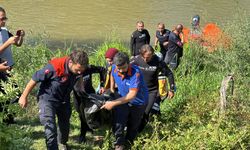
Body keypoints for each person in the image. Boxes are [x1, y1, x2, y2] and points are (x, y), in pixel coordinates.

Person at [18, 50, 89, 150]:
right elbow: (35, 78)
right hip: (47, 99)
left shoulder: (79, 68)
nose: (79, 71)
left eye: (82, 70)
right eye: (77, 69)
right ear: (70, 62)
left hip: (64, 99)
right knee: (50, 128)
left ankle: (62, 143)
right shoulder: (54, 67)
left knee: (65, 127)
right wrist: (23, 96)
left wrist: (81, 89)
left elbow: (79, 75)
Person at [101, 52, 148, 150]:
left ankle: (128, 142)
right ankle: (119, 143)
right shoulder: (114, 67)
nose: (121, 71)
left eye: (124, 68)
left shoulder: (136, 73)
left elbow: (131, 95)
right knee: (119, 120)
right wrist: (112, 91)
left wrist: (113, 103)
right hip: (122, 99)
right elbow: (113, 77)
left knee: (133, 125)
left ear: (129, 63)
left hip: (138, 102)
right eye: (119, 68)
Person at [130, 44, 175, 132]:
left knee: (145, 113)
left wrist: (172, 89)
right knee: (133, 112)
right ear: (141, 55)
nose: (147, 59)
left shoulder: (157, 61)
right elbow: (123, 69)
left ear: (153, 54)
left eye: (149, 57)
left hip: (151, 91)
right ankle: (131, 129)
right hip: (137, 90)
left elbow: (169, 73)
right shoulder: (135, 60)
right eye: (145, 57)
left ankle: (138, 132)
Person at [0, 7, 25, 124]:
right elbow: (8, 43)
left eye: (5, 18)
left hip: (9, 69)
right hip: (0, 70)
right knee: (4, 98)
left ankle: (9, 120)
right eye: (1, 19)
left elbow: (18, 44)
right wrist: (7, 43)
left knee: (15, 95)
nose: (3, 21)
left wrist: (20, 37)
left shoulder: (4, 30)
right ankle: (6, 122)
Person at [73, 64, 106, 143]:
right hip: (78, 97)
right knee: (81, 114)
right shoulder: (73, 70)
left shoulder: (89, 68)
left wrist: (102, 84)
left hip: (89, 95)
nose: (81, 70)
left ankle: (82, 135)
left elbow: (102, 69)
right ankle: (88, 128)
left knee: (86, 114)